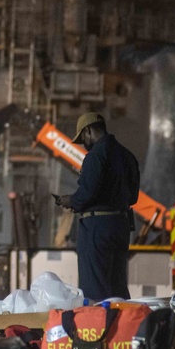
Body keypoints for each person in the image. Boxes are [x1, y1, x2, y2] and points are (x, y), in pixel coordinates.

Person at [55, 112, 140, 301]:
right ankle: (123, 326)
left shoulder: (95, 156)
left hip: (96, 227)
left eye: (83, 138)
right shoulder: (127, 156)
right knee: (117, 285)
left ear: (88, 130)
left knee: (95, 288)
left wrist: (70, 200)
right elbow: (133, 196)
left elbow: (86, 194)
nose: (84, 143)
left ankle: (98, 328)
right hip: (121, 225)